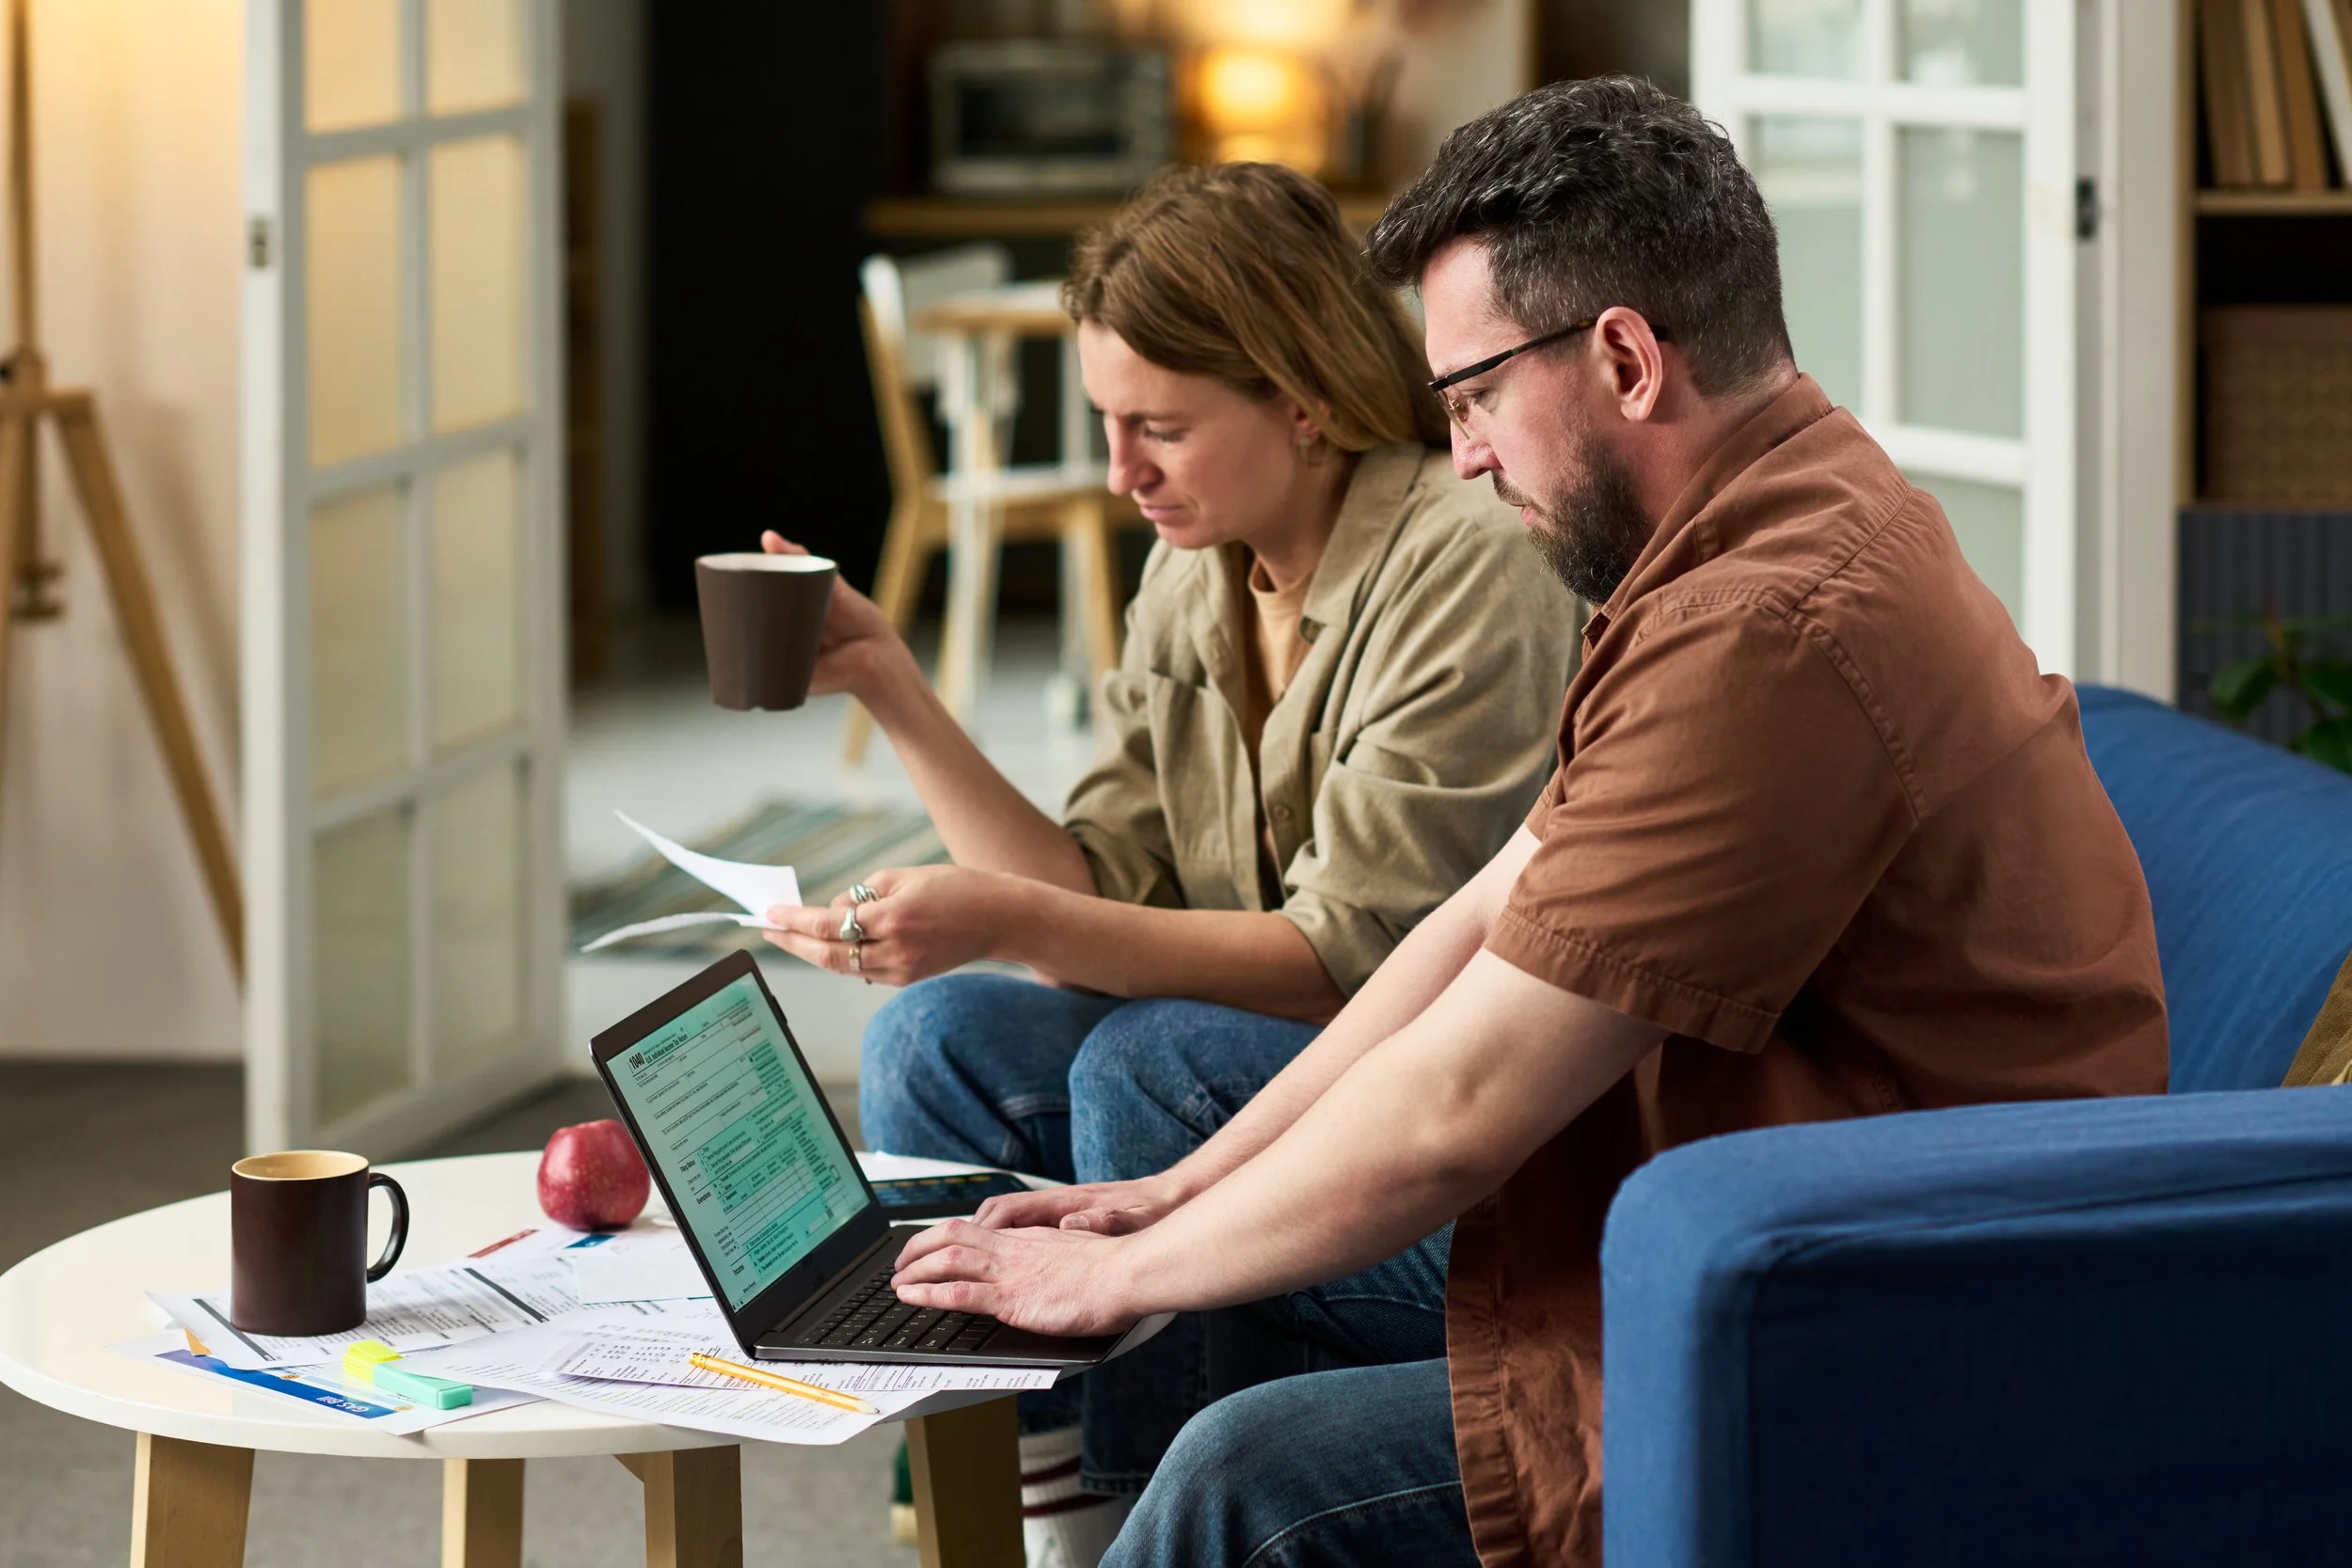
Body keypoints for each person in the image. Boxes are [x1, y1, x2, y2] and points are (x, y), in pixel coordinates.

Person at [884, 76, 2170, 1568]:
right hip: (1751, 1202)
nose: (1468, 453)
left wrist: (1128, 1275)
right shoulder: (1756, 526)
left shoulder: (1767, 628)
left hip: (1867, 1305)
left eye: (1475, 396)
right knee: (1163, 1136)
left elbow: (1461, 1106)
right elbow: (1485, 909)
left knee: (1246, 1478)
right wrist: (1167, 1199)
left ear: (1624, 358)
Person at [756, 160, 1577, 1559]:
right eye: (1107, 423)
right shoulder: (1193, 570)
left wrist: (1009, 916)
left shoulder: (1467, 558)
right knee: (939, 1035)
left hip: (1425, 1092)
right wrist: (893, 686)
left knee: (1148, 1061)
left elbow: (1345, 966)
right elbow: (1089, 894)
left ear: (1301, 398)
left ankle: (1156, 1519)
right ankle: (1010, 1517)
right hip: (1257, 1054)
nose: (1120, 473)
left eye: (1162, 429)